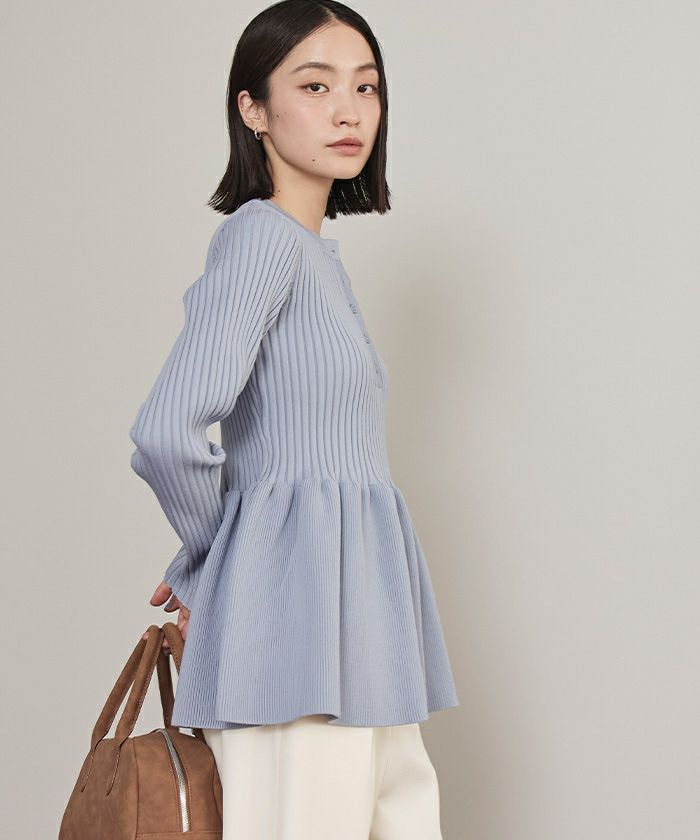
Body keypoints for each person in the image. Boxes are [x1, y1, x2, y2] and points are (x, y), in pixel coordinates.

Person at [129, 1, 459, 837]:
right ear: (254, 109)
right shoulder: (262, 240)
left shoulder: (315, 257)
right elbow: (168, 427)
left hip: (363, 621)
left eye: (365, 87)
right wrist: (213, 563)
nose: (348, 111)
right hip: (294, 623)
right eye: (315, 86)